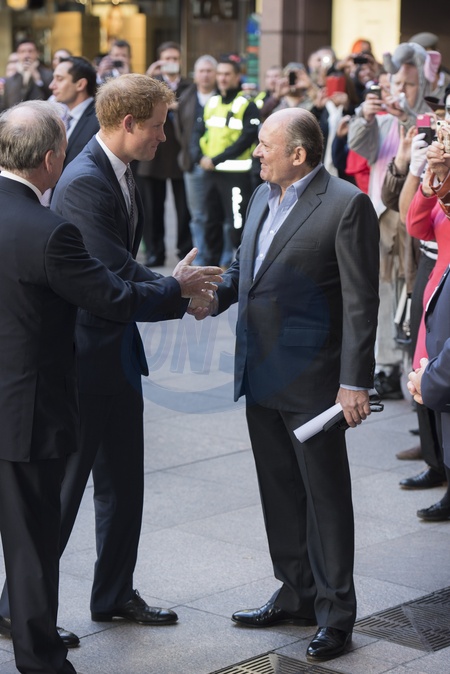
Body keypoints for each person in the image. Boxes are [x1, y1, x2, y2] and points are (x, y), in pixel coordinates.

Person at [0, 75, 223, 645]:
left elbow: (121, 266)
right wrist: (178, 293)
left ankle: (114, 593)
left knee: (123, 483)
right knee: (63, 494)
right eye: (157, 126)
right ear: (128, 124)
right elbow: (108, 281)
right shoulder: (83, 181)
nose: (164, 136)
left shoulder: (118, 171)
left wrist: (176, 288)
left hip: (115, 355)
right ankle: (19, 612)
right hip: (83, 360)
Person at [189, 107, 379, 662]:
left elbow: (360, 302)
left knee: (324, 499)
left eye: (265, 145)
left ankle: (335, 614)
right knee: (278, 491)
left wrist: (354, 382)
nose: (256, 152)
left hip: (315, 383)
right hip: (261, 372)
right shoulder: (261, 196)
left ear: (298, 154)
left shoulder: (346, 204)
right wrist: (211, 295)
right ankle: (296, 593)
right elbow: (249, 267)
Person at [348, 41, 440, 401]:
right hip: (382, 218)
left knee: (412, 293)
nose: (402, 91)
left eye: (410, 84)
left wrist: (405, 115)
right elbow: (358, 145)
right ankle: (386, 367)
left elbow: (426, 144)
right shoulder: (383, 121)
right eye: (397, 83)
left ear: (424, 85)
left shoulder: (430, 119)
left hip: (419, 223)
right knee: (385, 291)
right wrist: (365, 114)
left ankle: (413, 368)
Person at [199, 57, 260, 267]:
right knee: (210, 223)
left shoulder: (247, 105)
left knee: (237, 224)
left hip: (236, 177)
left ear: (237, 77)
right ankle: (210, 269)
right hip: (211, 173)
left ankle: (242, 268)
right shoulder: (212, 102)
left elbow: (246, 139)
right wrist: (199, 156)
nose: (222, 78)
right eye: (220, 74)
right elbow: (199, 131)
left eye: (227, 74)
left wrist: (215, 159)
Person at [137, 41, 192, 267]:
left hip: (180, 152)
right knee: (152, 207)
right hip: (154, 152)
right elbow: (137, 103)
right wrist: (149, 76)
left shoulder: (189, 85)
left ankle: (185, 251)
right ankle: (155, 251)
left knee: (184, 208)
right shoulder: (151, 84)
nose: (171, 63)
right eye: (167, 59)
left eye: (174, 59)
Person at [173, 54, 218, 265]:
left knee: (221, 215)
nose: (205, 75)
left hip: (220, 164)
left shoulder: (224, 96)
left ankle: (224, 257)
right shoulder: (186, 97)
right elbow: (180, 130)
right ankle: (201, 258)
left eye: (209, 71)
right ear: (195, 74)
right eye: (201, 71)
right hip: (193, 164)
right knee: (198, 215)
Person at [49, 56, 99, 168]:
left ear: (80, 84)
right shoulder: (59, 117)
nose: (51, 86)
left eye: (59, 79)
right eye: (53, 78)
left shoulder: (99, 120)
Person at [0, 39, 53, 111]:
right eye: (22, 51)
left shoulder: (48, 75)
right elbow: (5, 107)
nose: (26, 55)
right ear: (17, 54)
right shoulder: (10, 80)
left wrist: (37, 79)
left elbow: (51, 99)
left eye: (30, 51)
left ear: (37, 53)